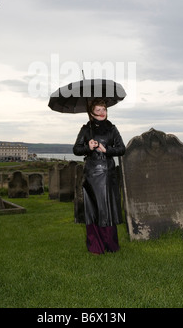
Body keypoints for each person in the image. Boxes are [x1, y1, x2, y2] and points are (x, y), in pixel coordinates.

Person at [73, 99, 126, 255]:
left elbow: (122, 149)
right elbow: (76, 149)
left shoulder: (112, 129)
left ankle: (111, 245)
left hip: (108, 174)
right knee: (94, 210)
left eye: (104, 109)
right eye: (98, 110)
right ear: (91, 113)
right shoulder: (85, 129)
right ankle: (96, 246)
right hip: (92, 174)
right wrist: (88, 148)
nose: (102, 113)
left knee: (108, 209)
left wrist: (107, 150)